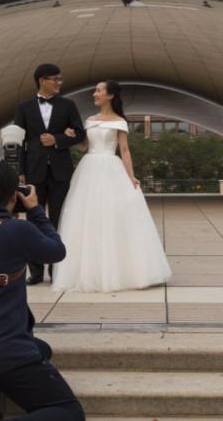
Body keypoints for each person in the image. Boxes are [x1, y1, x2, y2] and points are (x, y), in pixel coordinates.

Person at [0, 162, 85, 421]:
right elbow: (56, 251)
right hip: (2, 354)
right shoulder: (15, 229)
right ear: (14, 195)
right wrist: (35, 210)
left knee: (41, 348)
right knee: (69, 413)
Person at [51, 81, 172, 292]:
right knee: (87, 217)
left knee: (112, 217)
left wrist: (131, 176)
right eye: (95, 90)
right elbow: (83, 147)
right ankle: (88, 272)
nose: (94, 94)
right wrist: (72, 138)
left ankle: (120, 271)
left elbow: (124, 151)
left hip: (110, 168)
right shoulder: (89, 120)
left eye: (98, 90)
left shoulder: (120, 122)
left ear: (110, 95)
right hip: (88, 169)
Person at [13, 63, 86, 285]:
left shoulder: (68, 105)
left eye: (59, 79)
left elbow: (80, 134)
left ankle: (57, 270)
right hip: (33, 173)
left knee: (59, 220)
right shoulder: (24, 108)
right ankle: (35, 272)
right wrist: (20, 172)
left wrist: (58, 140)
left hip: (61, 172)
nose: (59, 83)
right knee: (33, 222)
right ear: (42, 80)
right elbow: (17, 141)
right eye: (55, 79)